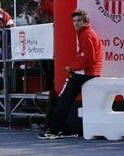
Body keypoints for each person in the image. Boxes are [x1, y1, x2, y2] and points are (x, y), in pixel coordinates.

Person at [39, 9, 103, 140]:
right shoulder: (87, 33)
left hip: (84, 72)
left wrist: (71, 67)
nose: (76, 23)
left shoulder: (86, 34)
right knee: (65, 100)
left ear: (85, 21)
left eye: (79, 20)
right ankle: (62, 129)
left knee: (62, 100)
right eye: (74, 21)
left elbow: (89, 58)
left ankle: (54, 131)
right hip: (88, 72)